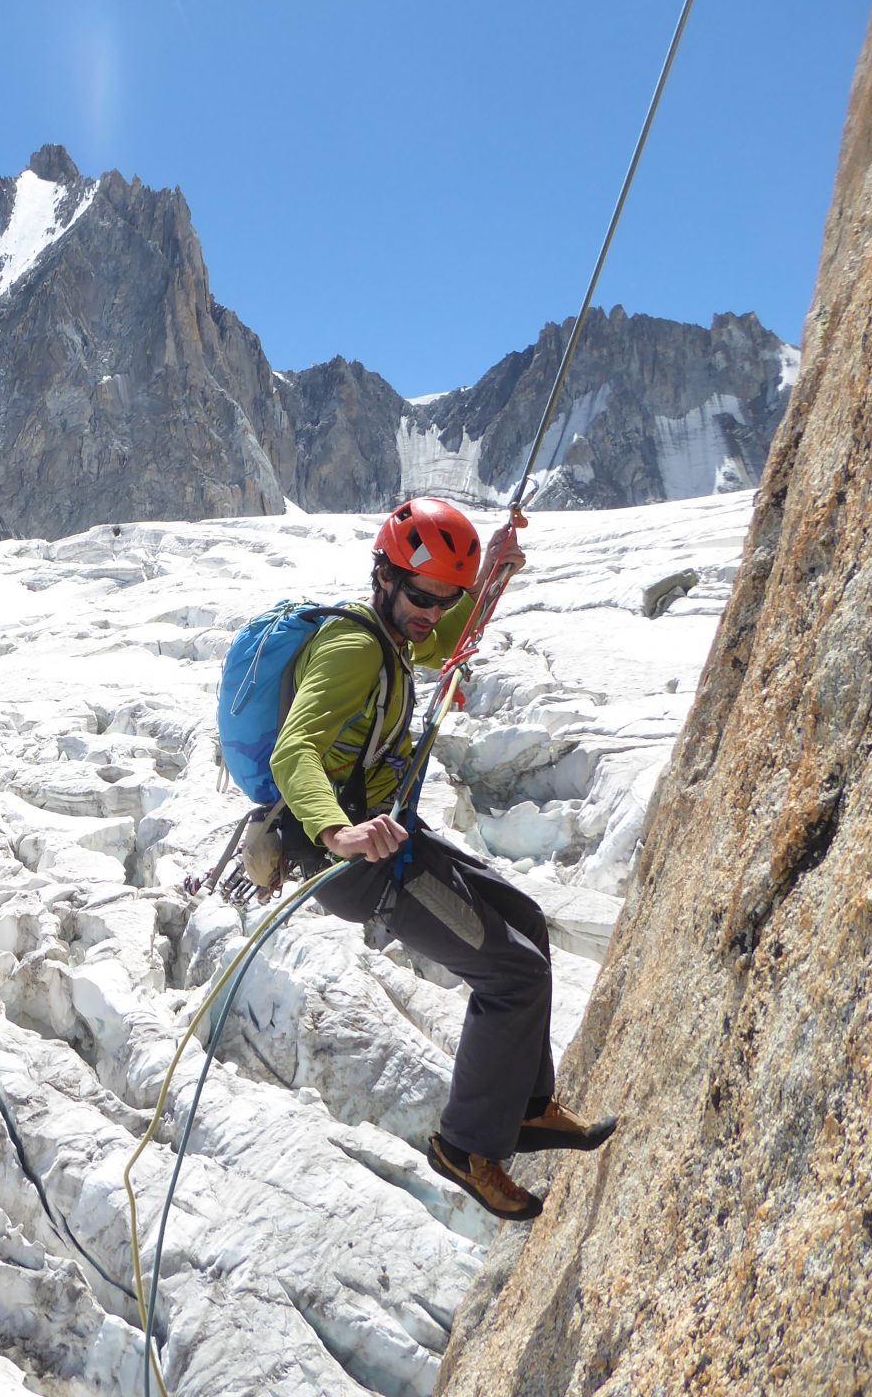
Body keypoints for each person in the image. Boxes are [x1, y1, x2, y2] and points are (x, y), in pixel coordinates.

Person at [267, 497, 615, 1221]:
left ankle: (525, 1107)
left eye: (442, 601)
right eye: (423, 597)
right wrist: (339, 834)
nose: (432, 613)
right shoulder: (354, 647)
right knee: (510, 974)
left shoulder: (398, 634)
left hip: (390, 834)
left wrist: (487, 577)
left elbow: (448, 640)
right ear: (385, 579)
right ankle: (465, 1145)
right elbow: (293, 750)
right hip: (355, 862)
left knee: (523, 919)